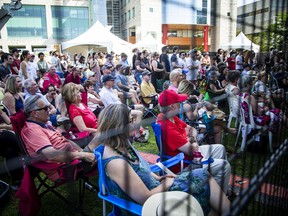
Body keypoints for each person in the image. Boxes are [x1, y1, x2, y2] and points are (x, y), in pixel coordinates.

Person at [96, 103, 230, 216]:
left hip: (158, 188)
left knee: (204, 179)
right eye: (130, 121)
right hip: (152, 204)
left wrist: (157, 177)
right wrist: (167, 183)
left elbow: (140, 169)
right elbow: (145, 198)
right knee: (204, 179)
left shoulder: (122, 145)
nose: (136, 125)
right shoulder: (117, 163)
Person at [156, 90, 231, 194]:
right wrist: (192, 141)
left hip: (188, 154)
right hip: (182, 164)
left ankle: (215, 186)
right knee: (224, 165)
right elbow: (192, 150)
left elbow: (192, 129)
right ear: (172, 106)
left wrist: (191, 139)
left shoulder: (170, 117)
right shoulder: (167, 126)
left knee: (220, 148)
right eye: (179, 102)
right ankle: (217, 196)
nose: (181, 104)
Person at [21, 95, 98, 182]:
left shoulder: (44, 124)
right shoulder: (33, 131)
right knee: (105, 140)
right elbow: (52, 155)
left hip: (74, 159)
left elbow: (65, 140)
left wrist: (81, 152)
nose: (49, 111)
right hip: (65, 169)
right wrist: (83, 155)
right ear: (34, 113)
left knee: (104, 138)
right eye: (45, 108)